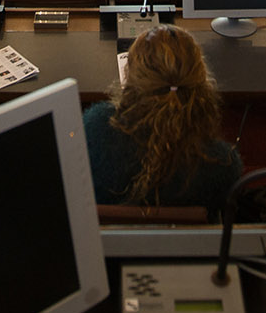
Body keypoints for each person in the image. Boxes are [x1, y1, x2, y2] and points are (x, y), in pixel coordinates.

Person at [82, 26, 242, 217]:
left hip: (105, 237)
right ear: (200, 80)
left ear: (131, 76)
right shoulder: (224, 164)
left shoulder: (94, 129)